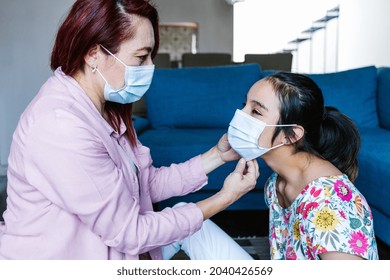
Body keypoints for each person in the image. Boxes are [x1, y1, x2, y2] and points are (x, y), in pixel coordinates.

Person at [0, 0, 259, 260]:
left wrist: (217, 155)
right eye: (140, 57)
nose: (149, 68)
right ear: (93, 54)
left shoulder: (104, 109)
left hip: (109, 250)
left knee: (189, 221)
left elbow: (144, 185)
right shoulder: (61, 126)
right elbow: (131, 233)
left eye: (151, 57)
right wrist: (225, 197)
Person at [227, 72, 379, 260]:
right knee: (187, 226)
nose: (240, 115)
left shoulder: (330, 202)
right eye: (245, 106)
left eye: (256, 111)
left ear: (291, 135)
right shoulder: (277, 182)